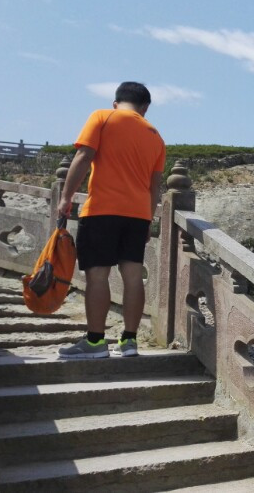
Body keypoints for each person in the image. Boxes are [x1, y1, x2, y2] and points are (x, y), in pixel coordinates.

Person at [57, 81, 165, 359]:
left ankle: (95, 343)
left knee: (98, 275)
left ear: (116, 102)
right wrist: (148, 219)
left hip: (103, 210)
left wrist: (66, 197)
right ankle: (129, 341)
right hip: (138, 215)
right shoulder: (156, 137)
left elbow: (83, 156)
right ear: (146, 108)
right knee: (132, 276)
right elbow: (155, 187)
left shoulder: (102, 117)